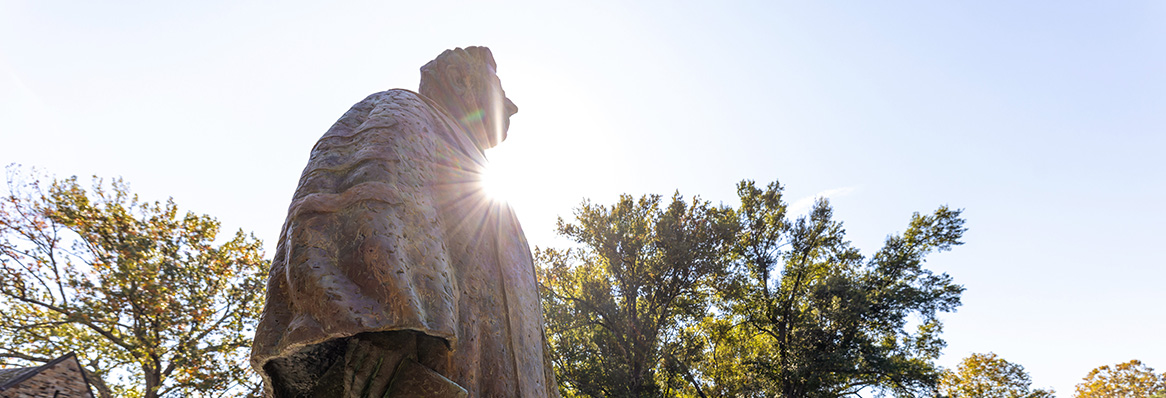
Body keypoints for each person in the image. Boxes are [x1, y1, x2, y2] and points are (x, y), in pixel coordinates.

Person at [250, 47, 557, 398]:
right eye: (499, 89)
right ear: (459, 78)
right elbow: (363, 201)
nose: (512, 105)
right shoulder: (407, 112)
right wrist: (386, 327)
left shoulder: (493, 194)